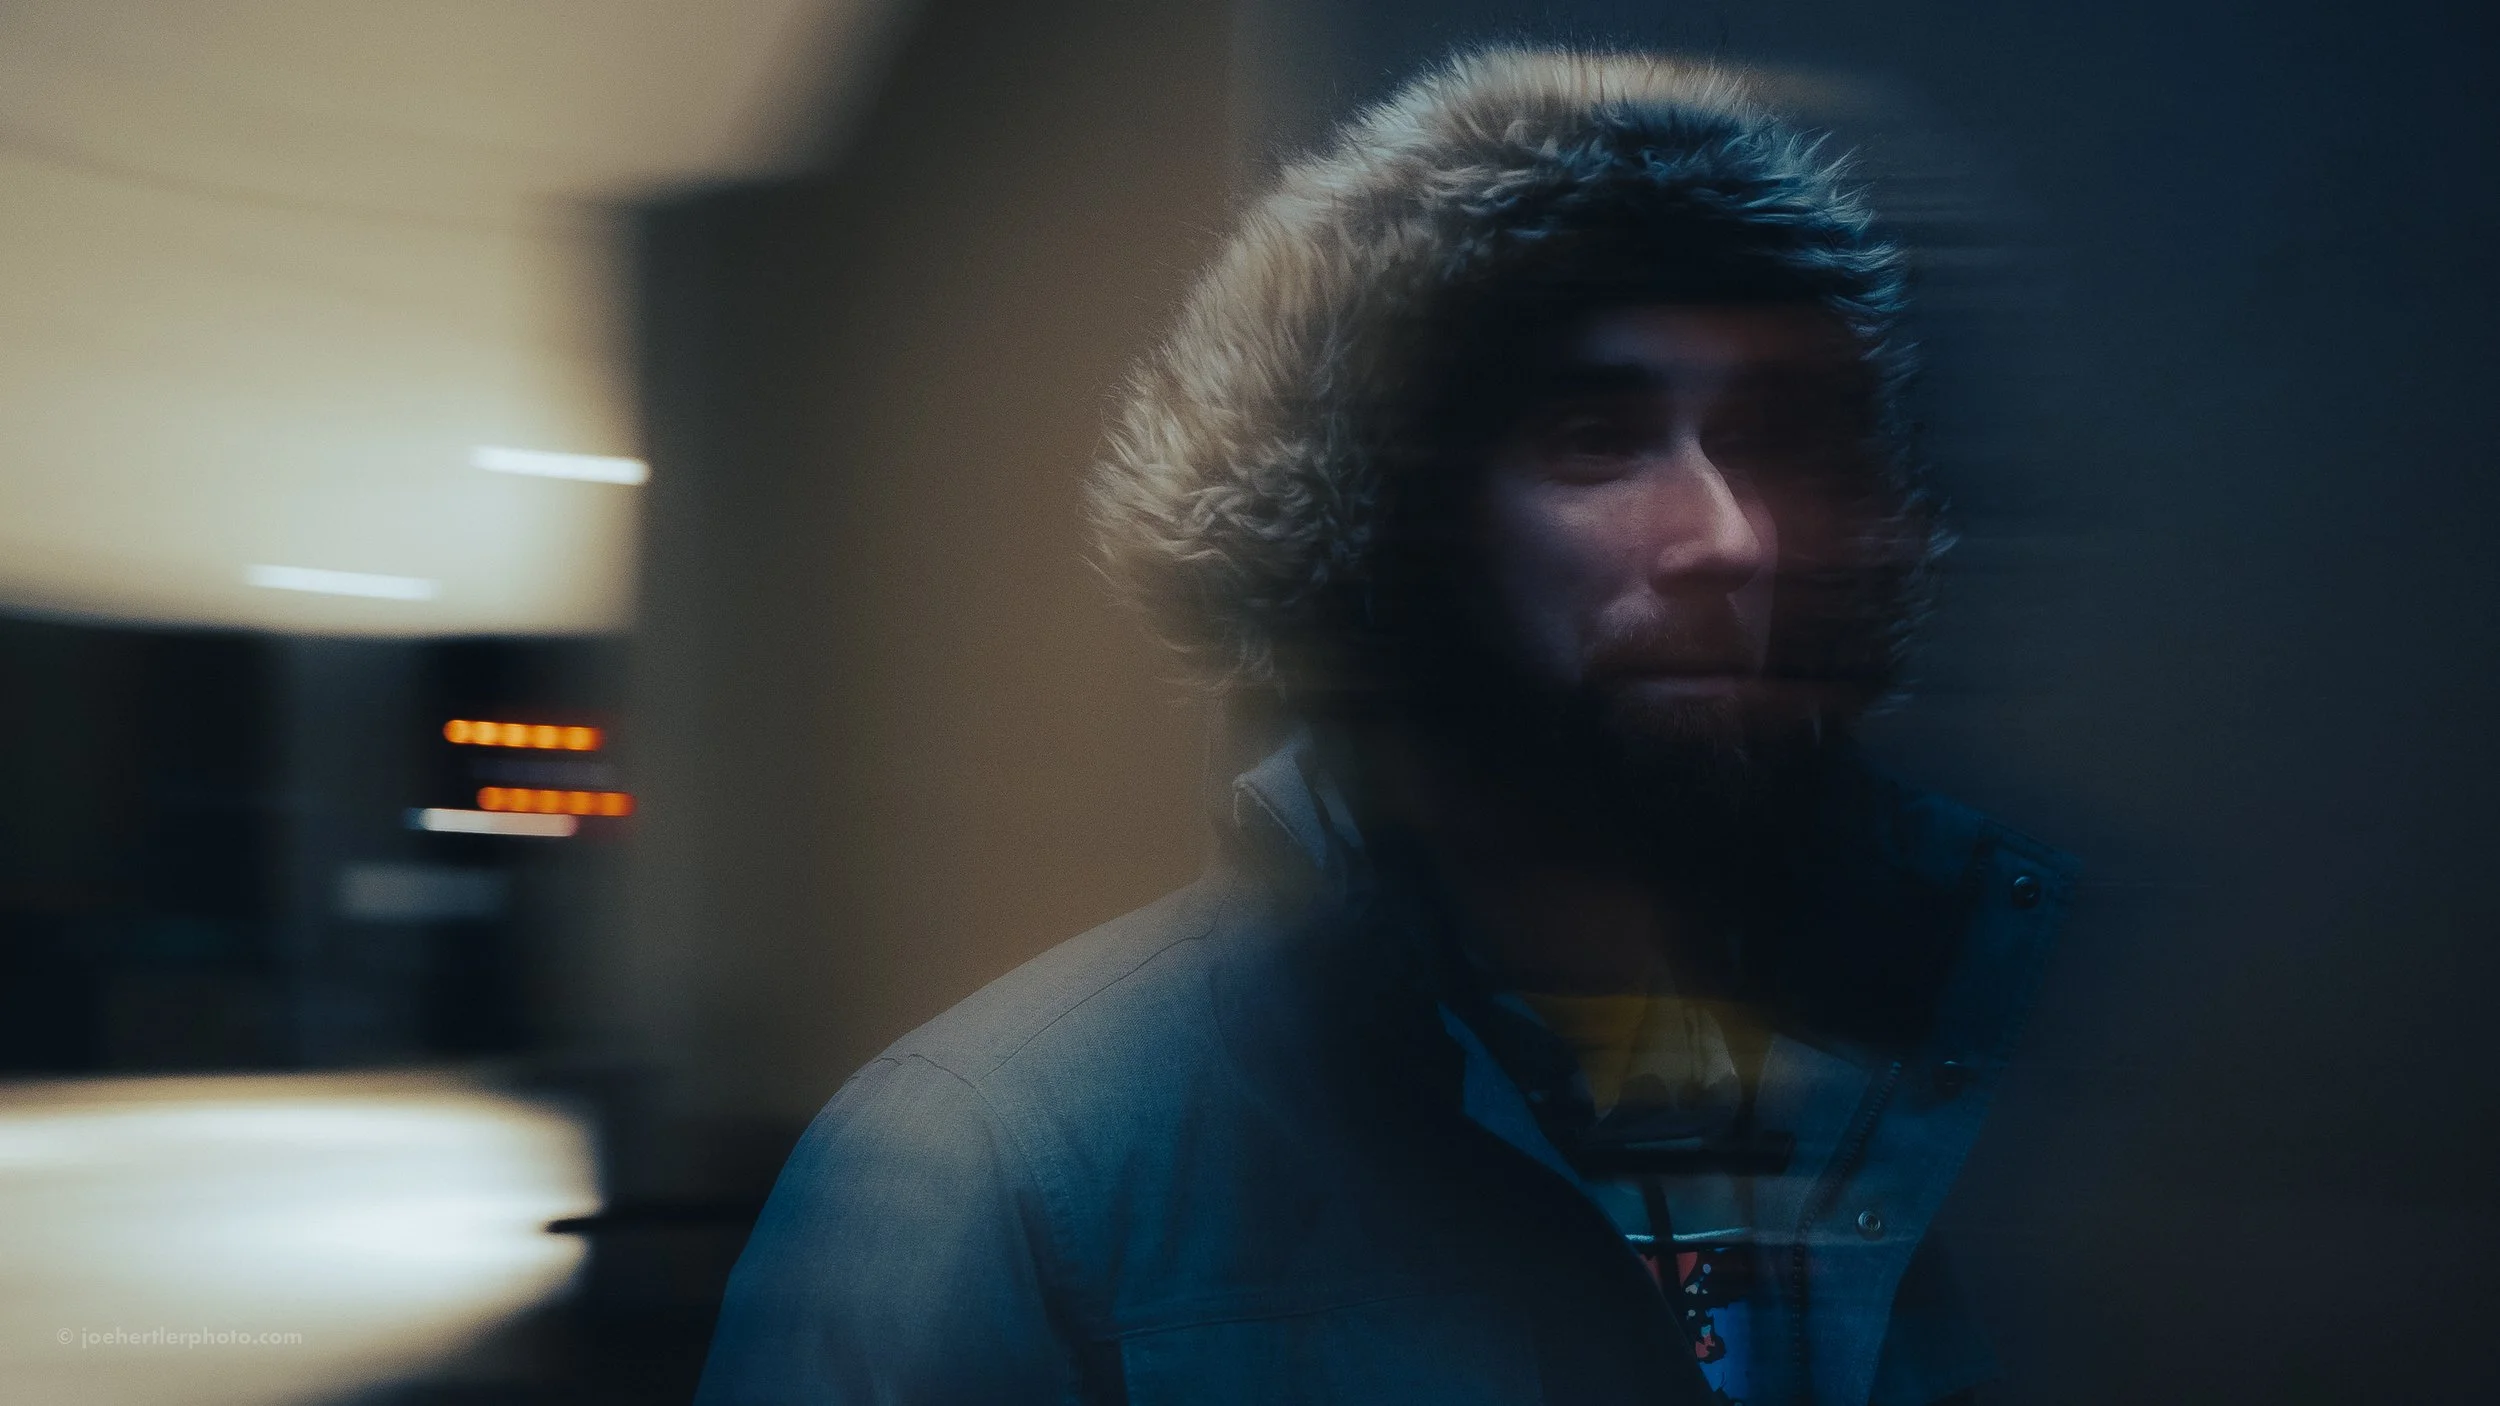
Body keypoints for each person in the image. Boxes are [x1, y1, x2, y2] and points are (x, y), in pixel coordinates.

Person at [696, 48, 2071, 1406]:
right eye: (1597, 434)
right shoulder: (987, 1171)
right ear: (1389, 537)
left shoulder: (1936, 1083)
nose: (1727, 536)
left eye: (1770, 437)